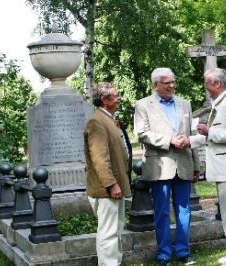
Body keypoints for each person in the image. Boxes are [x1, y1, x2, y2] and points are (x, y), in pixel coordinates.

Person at [134, 67, 199, 266]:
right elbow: (142, 133)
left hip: (184, 164)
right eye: (167, 83)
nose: (172, 86)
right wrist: (170, 140)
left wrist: (197, 165)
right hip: (159, 165)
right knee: (161, 212)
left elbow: (191, 134)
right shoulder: (143, 105)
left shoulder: (184, 104)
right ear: (156, 85)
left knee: (184, 210)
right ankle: (163, 254)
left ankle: (183, 251)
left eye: (173, 82)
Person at [189, 68, 226, 266]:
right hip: (225, 169)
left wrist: (209, 131)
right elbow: (212, 136)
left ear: (217, 84)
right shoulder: (220, 103)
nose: (205, 86)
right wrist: (188, 141)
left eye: (207, 83)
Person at [84, 82, 131, 266]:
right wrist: (111, 184)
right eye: (116, 95)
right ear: (104, 100)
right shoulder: (97, 121)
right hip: (106, 189)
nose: (119, 98)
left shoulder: (108, 119)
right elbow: (99, 159)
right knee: (108, 232)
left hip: (114, 186)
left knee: (116, 229)